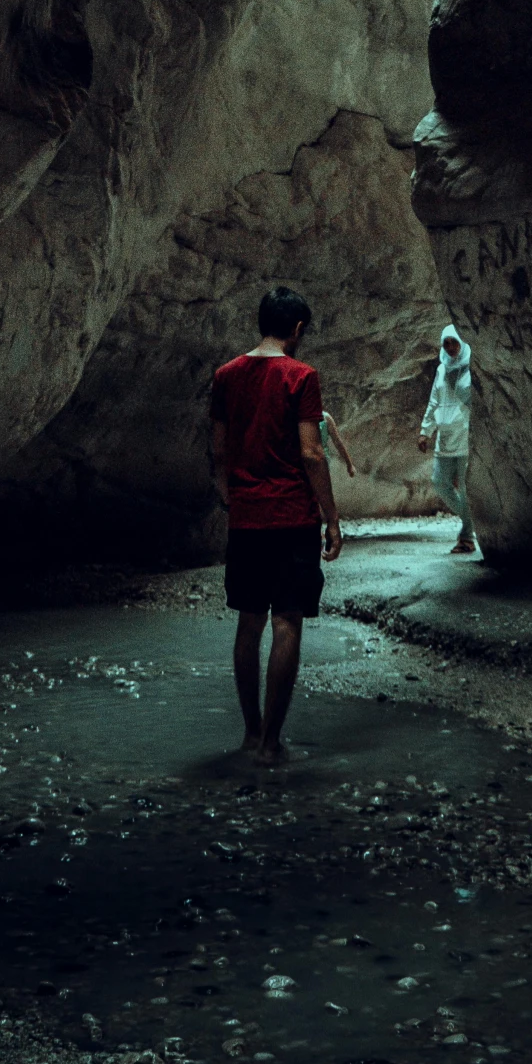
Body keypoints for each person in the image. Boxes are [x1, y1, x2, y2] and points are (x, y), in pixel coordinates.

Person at [209, 285, 341, 764]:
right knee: (287, 621)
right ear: (298, 329)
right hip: (290, 518)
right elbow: (311, 451)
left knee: (249, 622)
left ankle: (248, 733)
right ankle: (270, 744)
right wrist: (331, 517)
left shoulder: (226, 376)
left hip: (247, 519)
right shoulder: (301, 376)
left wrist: (231, 497)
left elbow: (219, 451)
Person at [419, 323, 475, 555]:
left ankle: (466, 536)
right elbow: (434, 401)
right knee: (440, 483)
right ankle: (472, 523)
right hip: (444, 435)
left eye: (454, 341)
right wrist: (425, 431)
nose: (450, 347)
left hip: (464, 436)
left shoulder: (472, 367)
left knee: (464, 487)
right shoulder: (442, 369)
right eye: (446, 342)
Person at [319, 407, 357, 481]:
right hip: (316, 461)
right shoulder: (325, 417)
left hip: (319, 461)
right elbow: (337, 442)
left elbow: (338, 442)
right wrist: (349, 465)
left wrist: (349, 464)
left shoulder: (325, 418)